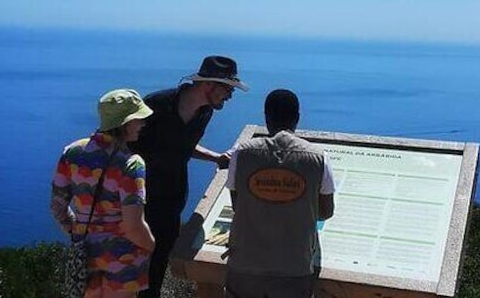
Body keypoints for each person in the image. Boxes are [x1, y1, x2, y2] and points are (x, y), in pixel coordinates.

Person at [129, 55, 249, 298]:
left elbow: (184, 145)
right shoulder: (155, 106)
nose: (230, 95)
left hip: (171, 200)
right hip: (138, 200)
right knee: (128, 267)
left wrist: (215, 157)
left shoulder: (205, 113)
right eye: (228, 88)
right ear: (209, 84)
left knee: (157, 266)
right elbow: (124, 145)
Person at [224, 89, 335, 298]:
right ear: (297, 118)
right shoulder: (319, 158)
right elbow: (326, 212)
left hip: (245, 265)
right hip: (295, 267)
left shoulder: (242, 153)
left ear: (266, 116)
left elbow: (238, 205)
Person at [51, 88, 157, 298]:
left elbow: (57, 206)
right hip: (122, 256)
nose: (143, 124)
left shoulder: (72, 152)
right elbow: (133, 226)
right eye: (139, 119)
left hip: (85, 250)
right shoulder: (131, 164)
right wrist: (152, 246)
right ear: (126, 123)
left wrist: (75, 230)